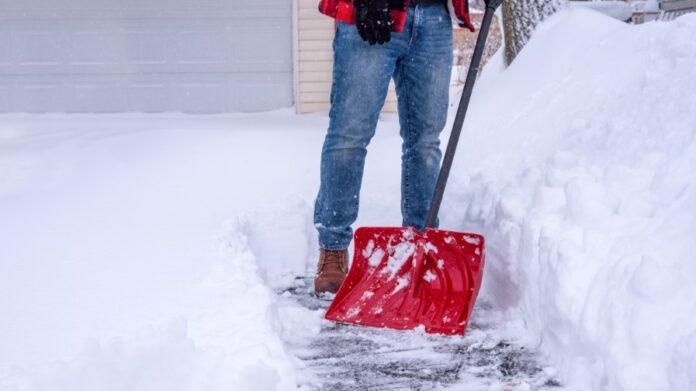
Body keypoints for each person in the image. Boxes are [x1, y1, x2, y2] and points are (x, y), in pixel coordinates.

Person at [313, 0, 475, 294]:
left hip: (433, 18)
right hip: (371, 10)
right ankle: (333, 248)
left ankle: (419, 244)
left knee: (425, 141)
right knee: (349, 135)